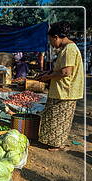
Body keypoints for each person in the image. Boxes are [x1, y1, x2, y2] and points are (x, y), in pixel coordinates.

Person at [38, 21, 84, 151]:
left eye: (51, 40)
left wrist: (48, 77)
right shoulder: (67, 48)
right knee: (54, 117)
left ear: (56, 37)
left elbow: (66, 72)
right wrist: (49, 73)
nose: (52, 44)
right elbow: (61, 69)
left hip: (66, 91)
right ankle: (54, 142)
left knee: (59, 120)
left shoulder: (69, 49)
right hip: (62, 90)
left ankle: (57, 144)